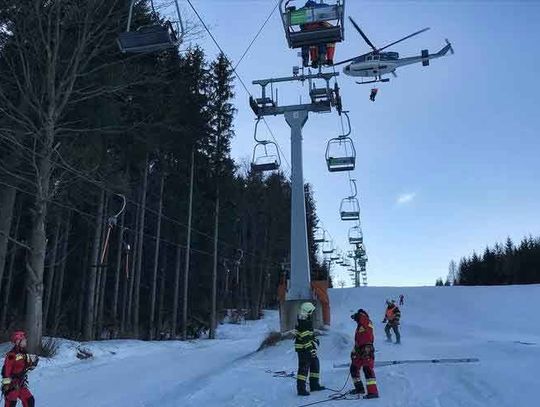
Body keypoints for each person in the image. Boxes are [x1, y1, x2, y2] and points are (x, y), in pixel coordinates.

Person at [294, 302, 325, 396]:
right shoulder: (303, 320)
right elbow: (304, 337)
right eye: (311, 311)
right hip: (304, 349)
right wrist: (310, 349)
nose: (312, 313)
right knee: (303, 368)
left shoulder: (306, 319)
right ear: (307, 311)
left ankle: (314, 385)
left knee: (315, 364)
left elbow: (308, 334)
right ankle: (301, 389)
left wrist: (314, 339)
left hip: (309, 346)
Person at [2, 331, 38, 407]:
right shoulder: (11, 355)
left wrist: (33, 363)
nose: (26, 341)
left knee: (30, 400)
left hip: (21, 383)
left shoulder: (24, 353)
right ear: (18, 341)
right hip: (12, 385)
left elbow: (26, 366)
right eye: (24, 340)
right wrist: (7, 386)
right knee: (11, 404)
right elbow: (6, 371)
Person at [349, 309, 379, 399]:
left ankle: (373, 392)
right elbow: (358, 340)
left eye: (359, 315)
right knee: (353, 368)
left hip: (367, 348)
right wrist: (353, 351)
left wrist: (356, 315)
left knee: (367, 369)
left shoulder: (366, 321)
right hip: (359, 349)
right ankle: (359, 388)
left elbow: (361, 317)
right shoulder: (360, 326)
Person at [300, 1, 336, 68]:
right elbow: (329, 26)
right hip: (320, 36)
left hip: (309, 38)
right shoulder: (320, 20)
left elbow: (301, 27)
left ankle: (309, 60)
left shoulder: (306, 22)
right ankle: (328, 58)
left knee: (309, 44)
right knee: (325, 41)